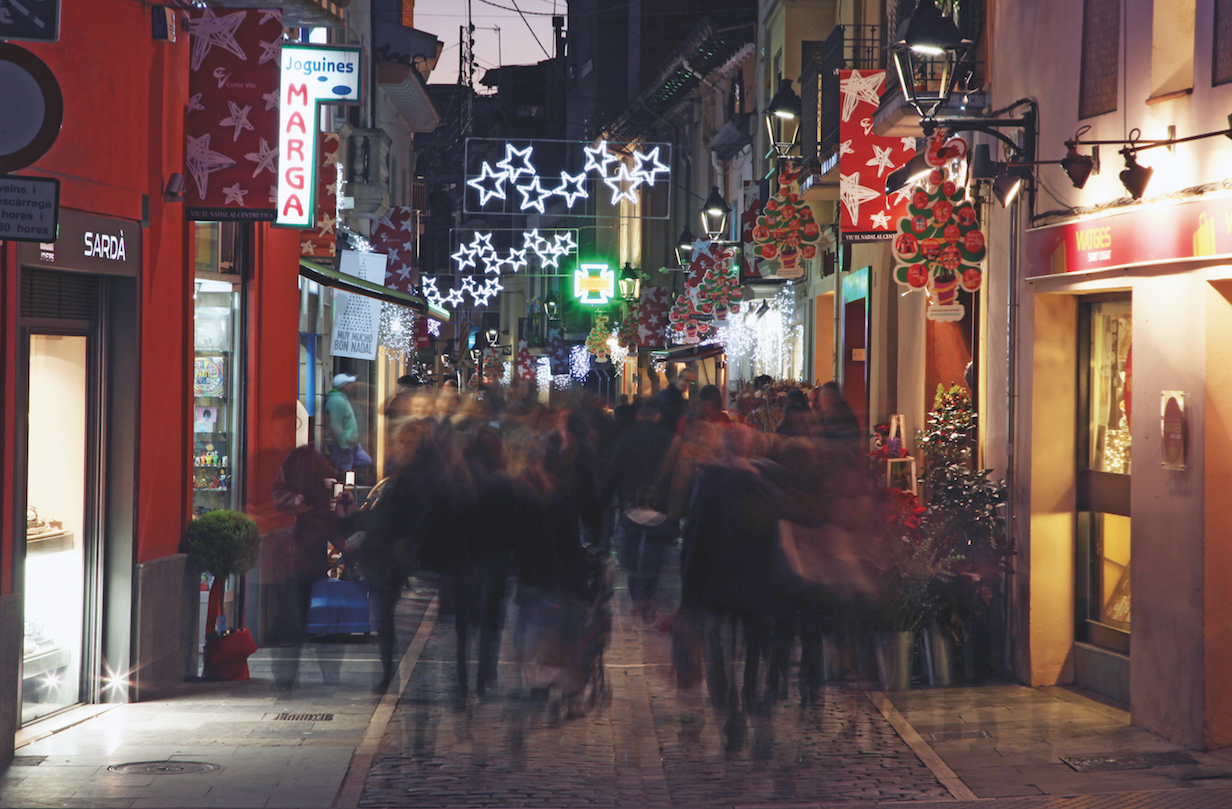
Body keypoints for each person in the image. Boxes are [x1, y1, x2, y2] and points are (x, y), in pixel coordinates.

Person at [269, 444, 350, 691]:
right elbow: (339, 535)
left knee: (291, 625)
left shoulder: (294, 501)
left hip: (298, 566)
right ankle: (327, 675)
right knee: (319, 621)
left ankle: (286, 679)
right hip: (312, 565)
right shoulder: (320, 510)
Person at [323, 373, 372, 473]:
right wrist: (343, 445)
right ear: (344, 385)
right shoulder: (336, 400)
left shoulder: (341, 398)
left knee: (365, 461)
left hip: (351, 444)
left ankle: (340, 467)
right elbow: (335, 425)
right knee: (345, 473)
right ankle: (341, 472)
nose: (352, 386)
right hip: (343, 445)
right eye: (349, 383)